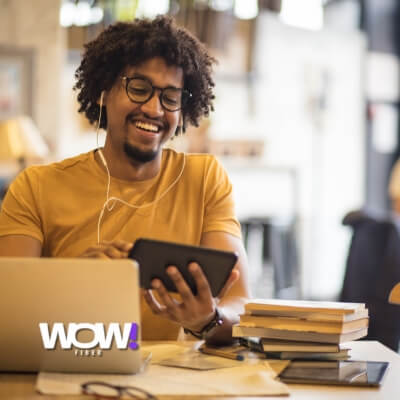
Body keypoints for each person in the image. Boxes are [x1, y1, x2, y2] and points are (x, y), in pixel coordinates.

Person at [0, 16, 250, 345]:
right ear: (103, 92)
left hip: (167, 373)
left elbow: (240, 304)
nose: (154, 109)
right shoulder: (35, 187)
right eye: (139, 89)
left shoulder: (205, 179)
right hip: (71, 363)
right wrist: (70, 282)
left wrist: (209, 320)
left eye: (170, 98)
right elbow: (8, 309)